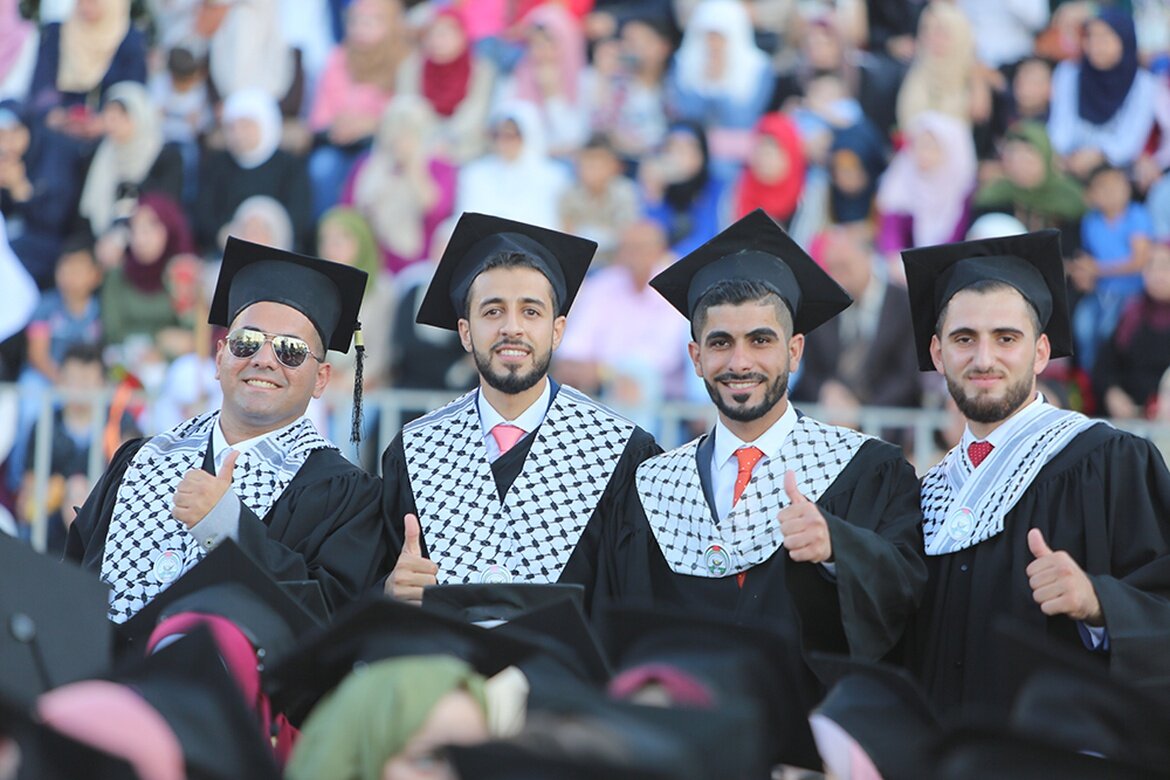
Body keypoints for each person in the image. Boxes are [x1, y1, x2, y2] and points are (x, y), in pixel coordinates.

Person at [597, 209, 926, 667]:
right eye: (719, 343)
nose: (739, 362)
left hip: (804, 728)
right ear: (695, 357)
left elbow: (908, 593)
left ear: (794, 351)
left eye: (760, 340)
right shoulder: (652, 486)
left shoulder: (866, 469)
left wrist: (840, 549)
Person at [900, 229, 1170, 716]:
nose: (984, 359)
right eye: (964, 339)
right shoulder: (928, 497)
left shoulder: (1111, 463)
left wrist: (1100, 604)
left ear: (1041, 352)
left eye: (1007, 338)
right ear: (938, 354)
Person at [65, 236, 388, 622]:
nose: (265, 360)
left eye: (291, 350)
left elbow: (331, 620)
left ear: (321, 379)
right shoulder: (140, 461)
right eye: (246, 342)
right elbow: (75, 579)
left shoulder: (346, 496)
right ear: (219, 359)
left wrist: (228, 525)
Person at [380, 212, 659, 613]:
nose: (512, 328)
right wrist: (390, 590)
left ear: (558, 330)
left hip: (567, 672)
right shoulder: (418, 450)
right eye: (493, 311)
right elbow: (377, 592)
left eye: (531, 312)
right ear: (464, 332)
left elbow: (633, 607)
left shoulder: (617, 451)